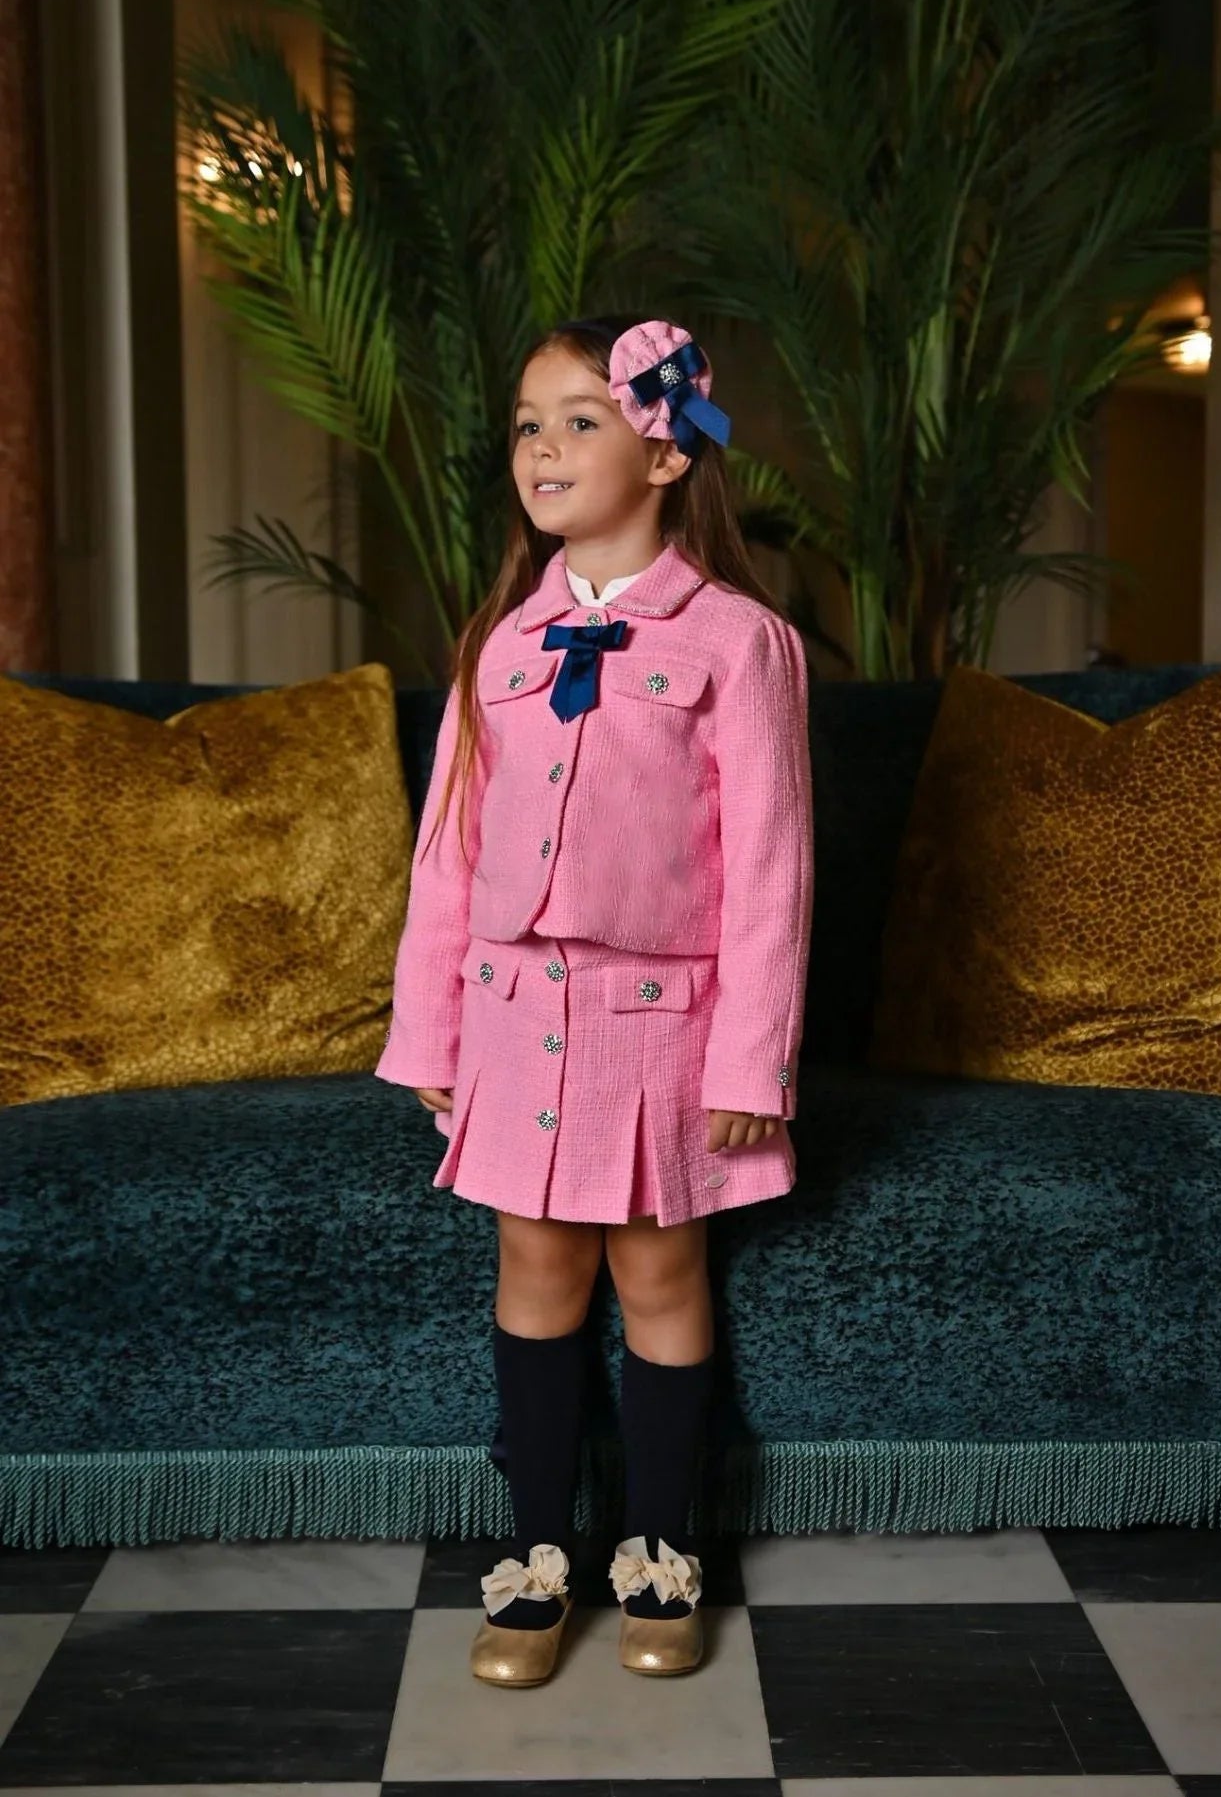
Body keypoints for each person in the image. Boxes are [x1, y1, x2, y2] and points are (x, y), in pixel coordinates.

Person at [374, 313, 815, 1686]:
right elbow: (444, 856)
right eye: (525, 423)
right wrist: (432, 1036)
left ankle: (662, 1550)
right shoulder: (495, 646)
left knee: (659, 1273)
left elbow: (769, 869)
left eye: (579, 417)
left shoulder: (740, 644)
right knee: (535, 1273)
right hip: (511, 1018)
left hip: (662, 1031)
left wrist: (753, 1059)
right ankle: (532, 1558)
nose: (545, 446)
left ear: (664, 448)